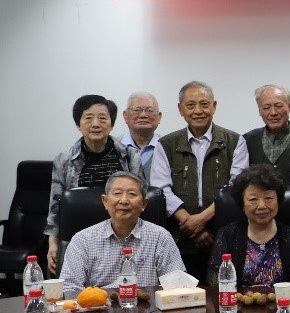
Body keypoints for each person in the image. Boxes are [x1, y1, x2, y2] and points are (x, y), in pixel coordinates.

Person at [150, 81, 249, 277]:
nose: (198, 111)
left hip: (224, 234)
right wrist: (190, 224)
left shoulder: (235, 141)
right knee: (181, 290)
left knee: (224, 288)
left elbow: (236, 187)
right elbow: (161, 189)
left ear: (214, 106)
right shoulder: (166, 144)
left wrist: (201, 219)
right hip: (180, 237)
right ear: (180, 109)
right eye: (190, 105)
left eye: (204, 104)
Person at [46, 94, 144, 273]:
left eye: (103, 118)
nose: (96, 124)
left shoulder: (130, 156)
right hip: (79, 238)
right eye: (88, 118)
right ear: (78, 124)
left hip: (122, 235)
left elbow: (140, 200)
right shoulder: (64, 159)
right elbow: (55, 205)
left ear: (111, 124)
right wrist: (53, 243)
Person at [59, 171, 185, 295]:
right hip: (100, 307)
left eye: (132, 194)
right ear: (105, 201)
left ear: (144, 204)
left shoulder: (160, 237)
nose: (124, 200)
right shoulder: (82, 240)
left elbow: (178, 286)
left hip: (148, 306)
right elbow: (69, 289)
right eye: (117, 193)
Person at [206, 164, 290, 291]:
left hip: (280, 302)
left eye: (268, 198)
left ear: (278, 200)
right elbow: (215, 281)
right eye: (253, 199)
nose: (261, 206)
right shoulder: (227, 234)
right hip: (237, 302)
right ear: (242, 203)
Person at [243, 84, 290, 183]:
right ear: (259, 111)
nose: (273, 112)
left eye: (278, 106)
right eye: (266, 107)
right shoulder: (248, 140)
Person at [120, 91, 162, 184]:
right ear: (125, 116)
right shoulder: (112, 146)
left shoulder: (168, 147)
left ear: (159, 117)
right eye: (137, 110)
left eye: (150, 110)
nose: (143, 115)